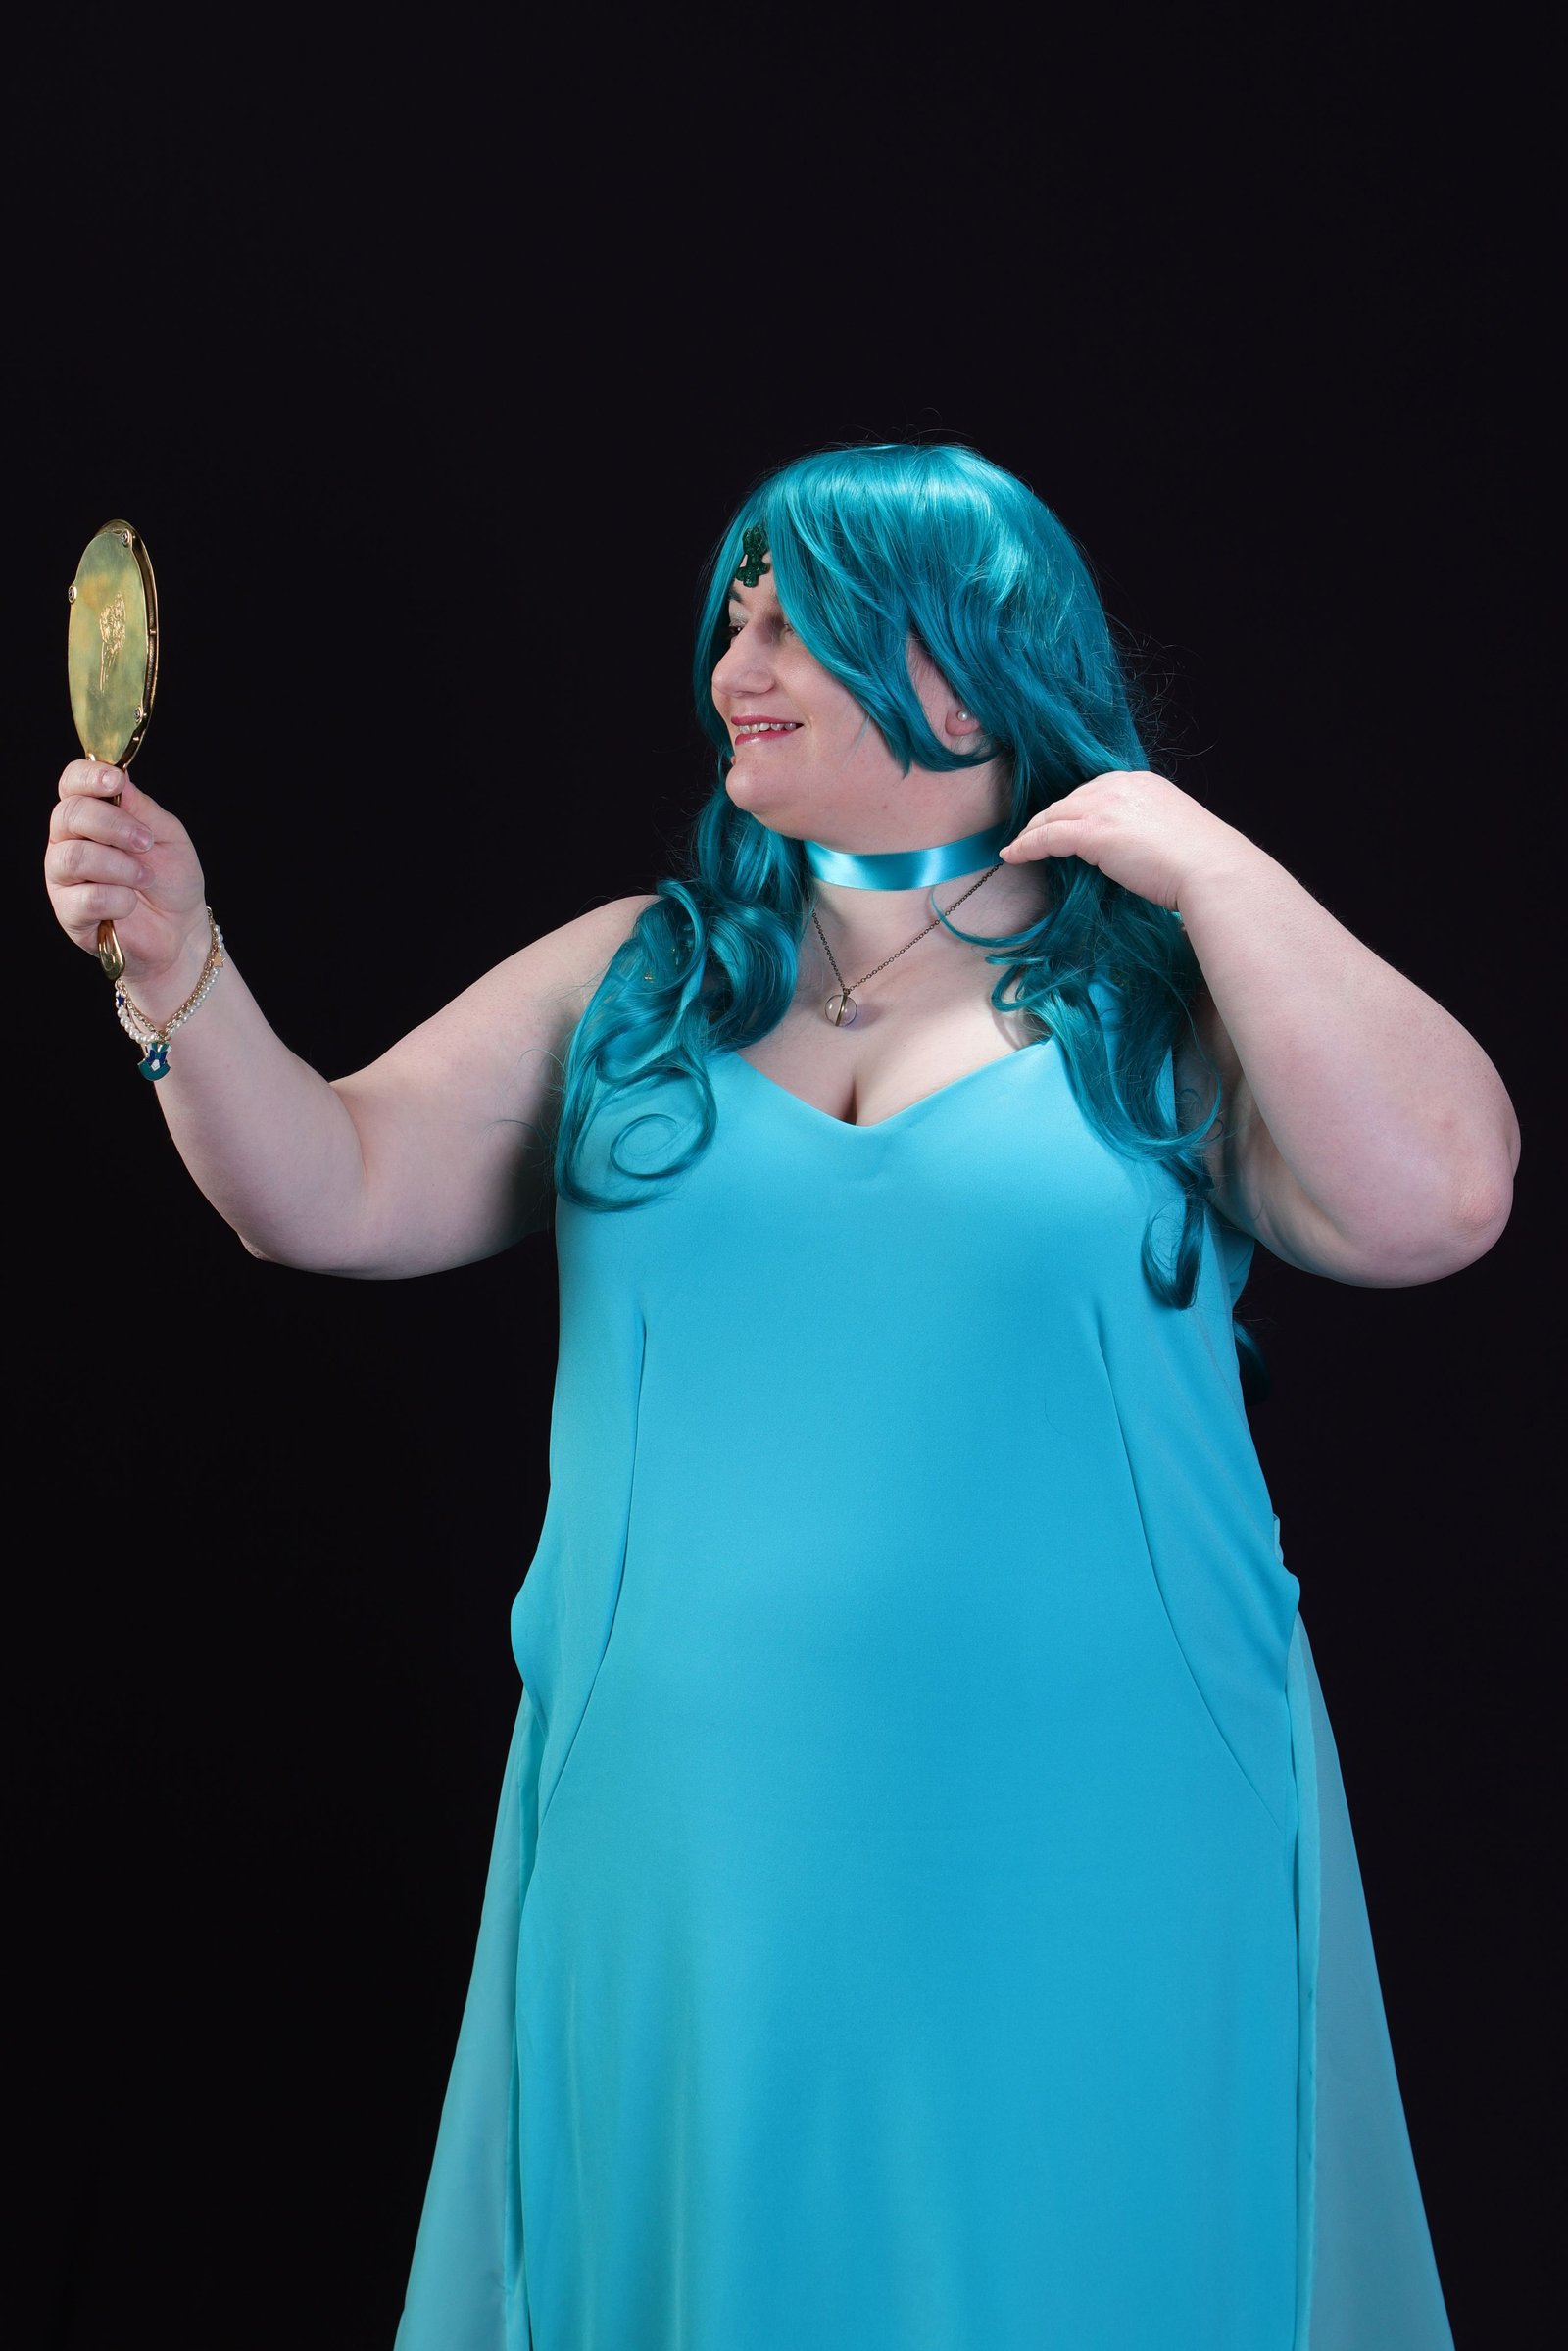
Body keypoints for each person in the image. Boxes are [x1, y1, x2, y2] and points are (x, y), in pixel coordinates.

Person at [44, 443, 1518, 2351]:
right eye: (734, 617)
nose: (738, 663)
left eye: (800, 621)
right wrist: (177, 971)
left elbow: (1441, 1197)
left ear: (970, 662)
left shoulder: (1158, 997)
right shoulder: (641, 980)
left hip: (1102, 1831)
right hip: (688, 1843)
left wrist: (1195, 856)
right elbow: (325, 1189)